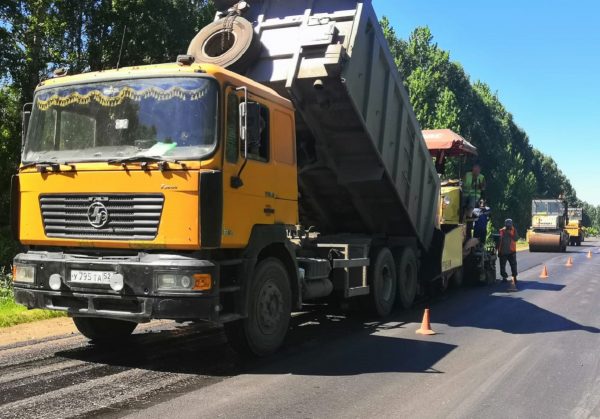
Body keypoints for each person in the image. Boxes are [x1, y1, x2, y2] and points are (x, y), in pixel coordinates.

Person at [498, 218, 518, 283]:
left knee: (513, 265)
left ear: (511, 224)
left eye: (509, 224)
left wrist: (510, 233)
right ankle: (504, 277)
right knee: (502, 266)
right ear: (505, 224)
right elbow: (498, 241)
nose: (508, 226)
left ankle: (514, 277)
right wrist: (498, 250)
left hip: (511, 252)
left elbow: (516, 239)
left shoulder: (513, 230)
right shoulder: (501, 230)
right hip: (503, 252)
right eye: (507, 224)